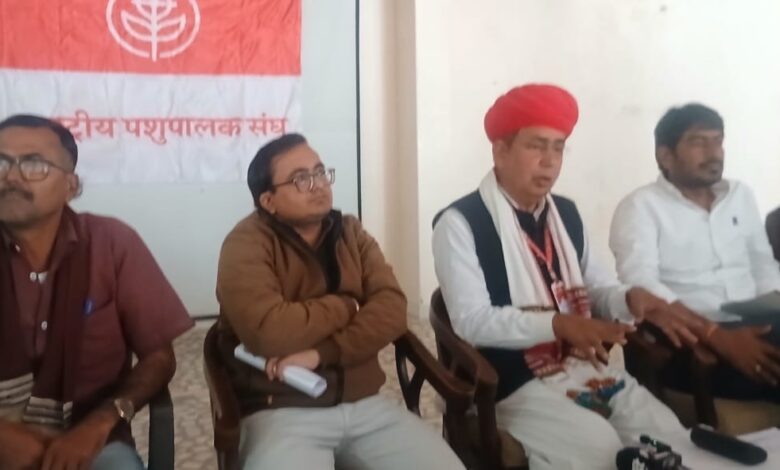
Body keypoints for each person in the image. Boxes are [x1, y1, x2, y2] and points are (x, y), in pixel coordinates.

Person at [432, 84, 687, 470]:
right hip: (509, 382)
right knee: (599, 450)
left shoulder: (565, 214)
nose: (549, 162)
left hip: (582, 366)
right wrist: (558, 324)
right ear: (500, 151)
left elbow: (597, 288)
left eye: (558, 147)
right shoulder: (460, 223)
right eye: (536, 146)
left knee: (666, 431)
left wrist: (628, 298)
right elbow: (472, 322)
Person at [215, 133, 464, 469]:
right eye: (301, 179)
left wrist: (322, 353)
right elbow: (269, 331)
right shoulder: (245, 243)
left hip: (365, 402)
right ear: (268, 201)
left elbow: (392, 309)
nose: (318, 185)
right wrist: (350, 305)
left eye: (320, 172)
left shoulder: (350, 232)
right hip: (283, 409)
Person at [0, 114, 194, 470]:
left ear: (71, 186)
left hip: (90, 439)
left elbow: (158, 358)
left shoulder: (111, 243)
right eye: (1, 163)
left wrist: (101, 422)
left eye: (34, 165)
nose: (11, 177)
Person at [610, 103, 780, 402]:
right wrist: (716, 335)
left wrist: (773, 310)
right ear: (665, 155)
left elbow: (762, 263)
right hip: (693, 338)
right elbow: (641, 284)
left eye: (718, 141)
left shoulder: (740, 195)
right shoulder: (641, 206)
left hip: (759, 320)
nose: (714, 154)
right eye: (699, 142)